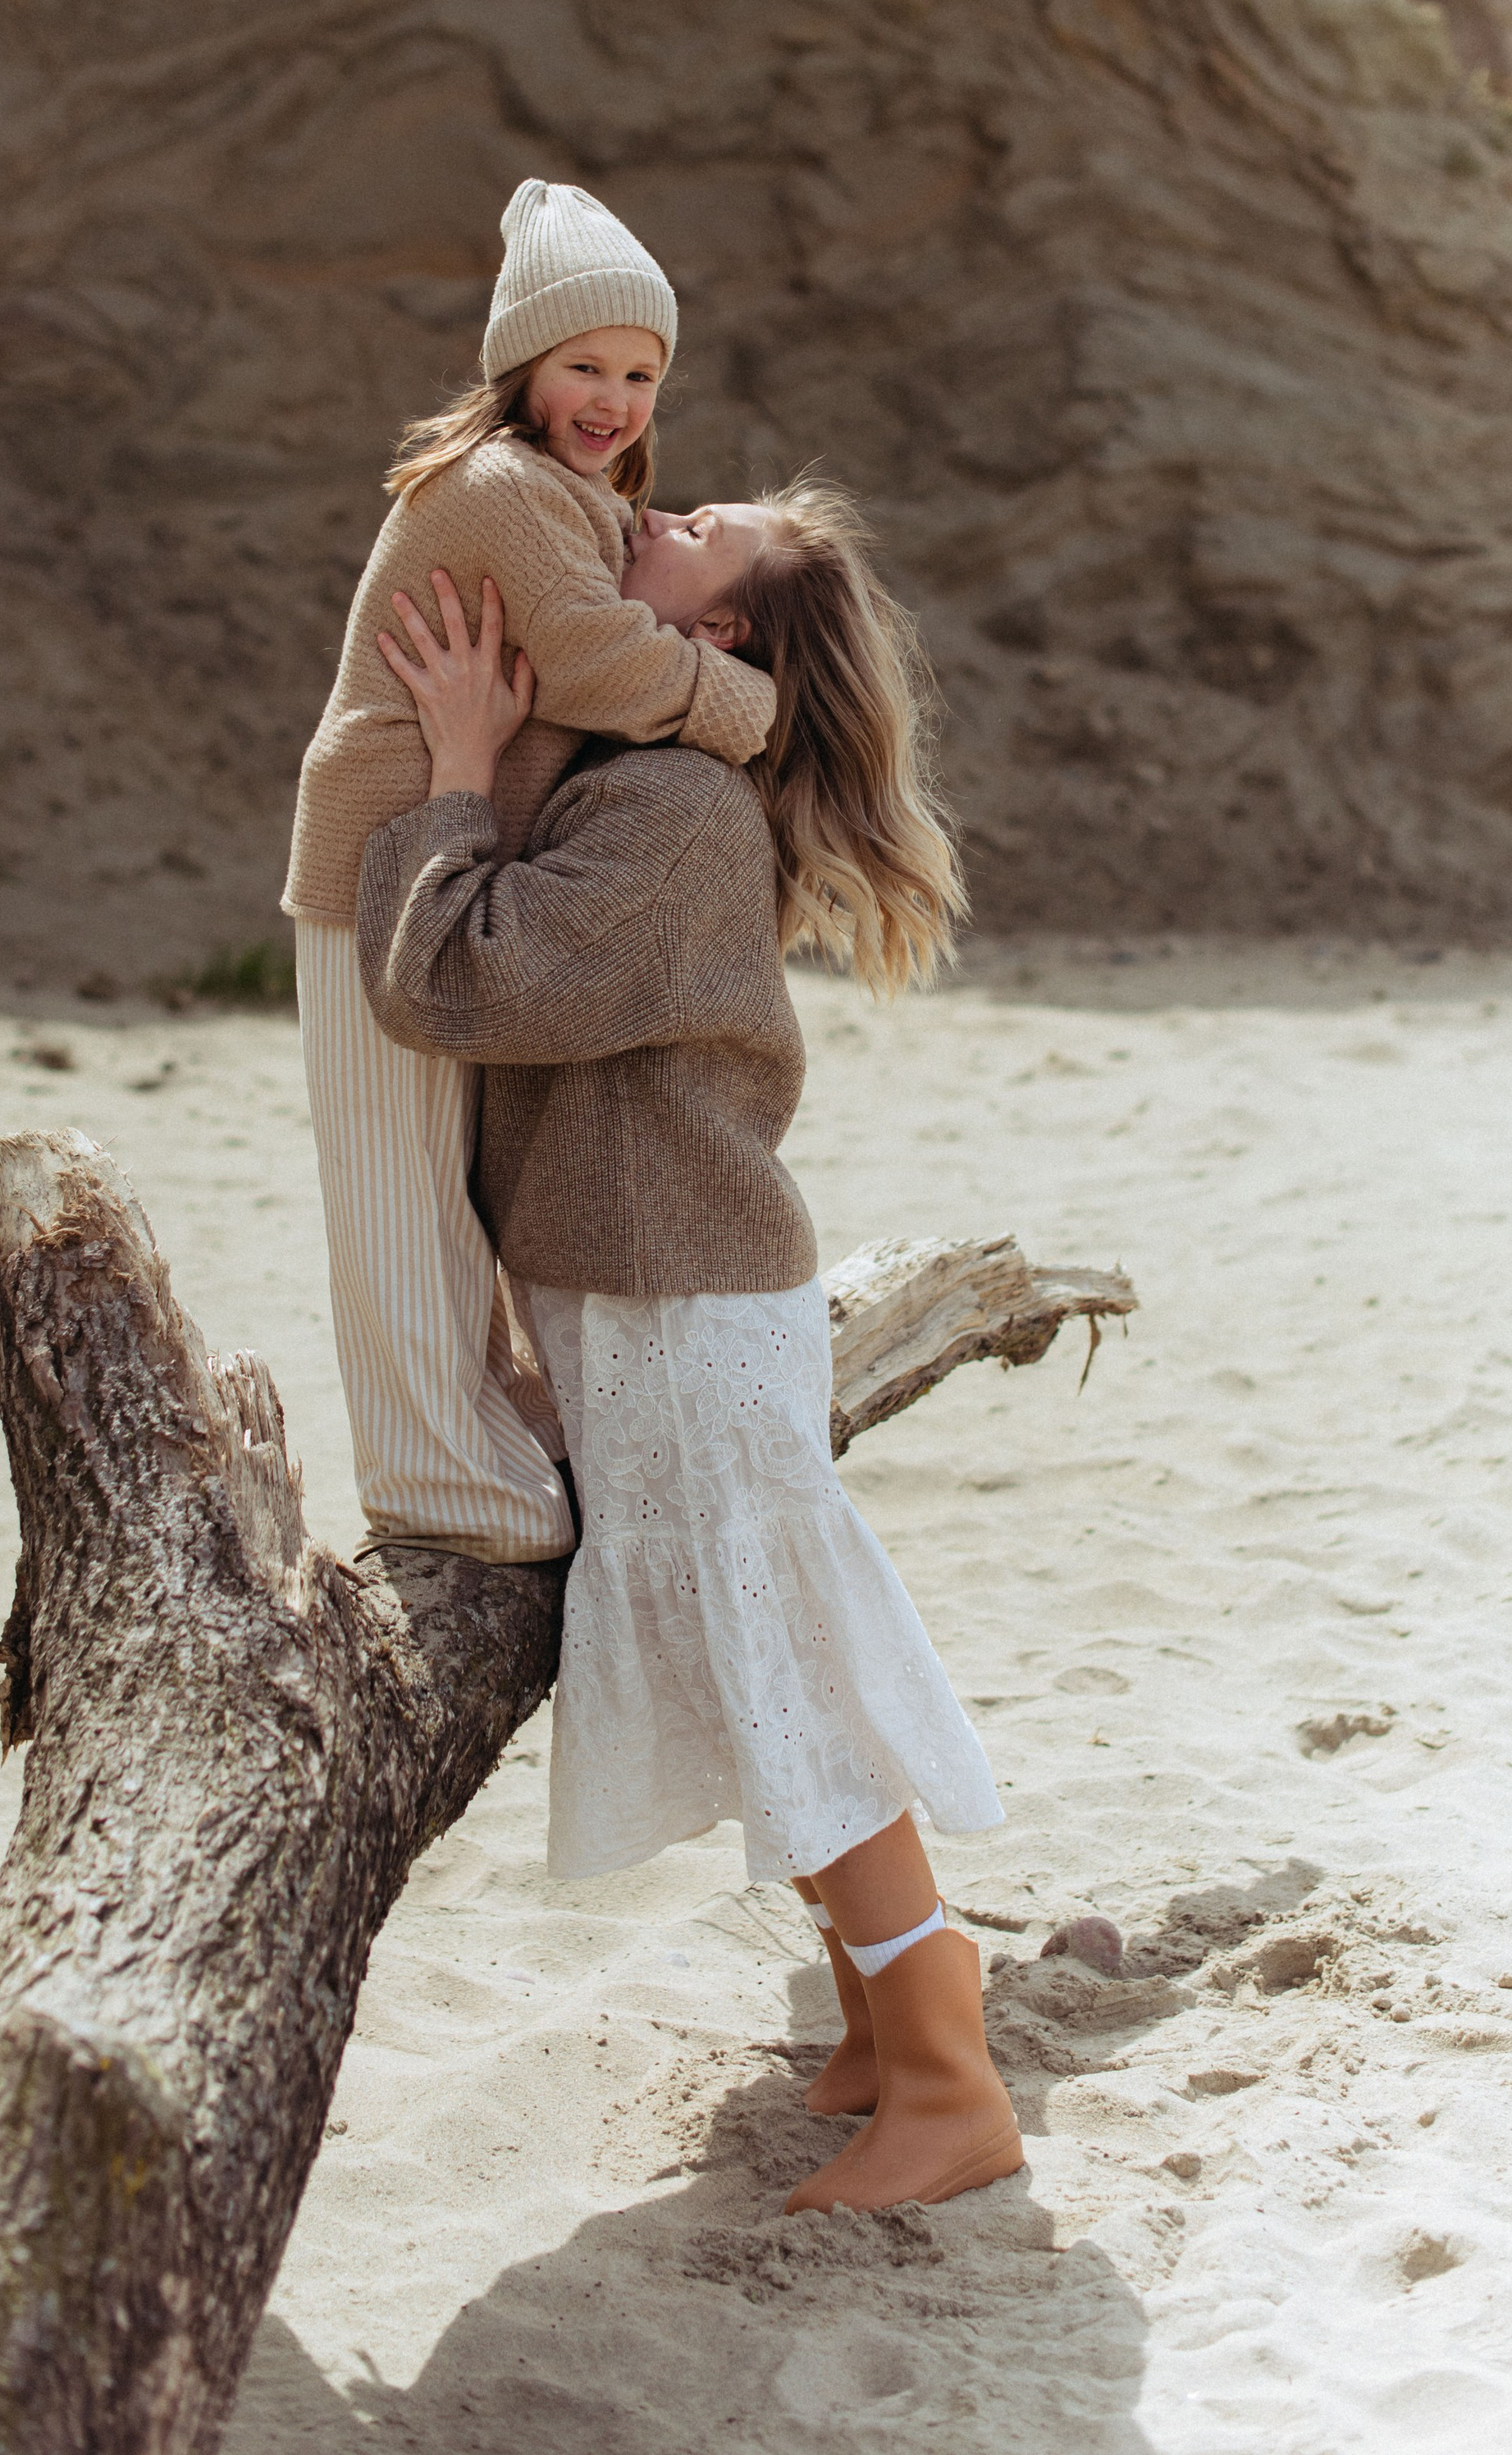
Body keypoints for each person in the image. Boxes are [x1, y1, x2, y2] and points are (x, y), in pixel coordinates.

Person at [354, 486, 1026, 2217]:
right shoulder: (659, 784)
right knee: (759, 1662)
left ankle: (949, 2083)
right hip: (658, 1293)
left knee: (780, 1661)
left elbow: (457, 986)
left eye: (696, 529)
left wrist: (451, 770)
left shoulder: (671, 807)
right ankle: (886, 2025)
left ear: (714, 632)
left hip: (679, 1301)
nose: (650, 511)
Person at [282, 180, 775, 1567]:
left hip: (450, 867)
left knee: (453, 1192)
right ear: (521, 367)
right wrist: (757, 709)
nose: (614, 400)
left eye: (640, 374)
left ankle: (495, 1449)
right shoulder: (503, 488)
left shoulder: (581, 498)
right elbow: (600, 663)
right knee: (394, 1186)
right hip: (377, 868)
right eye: (584, 366)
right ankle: (439, 1487)